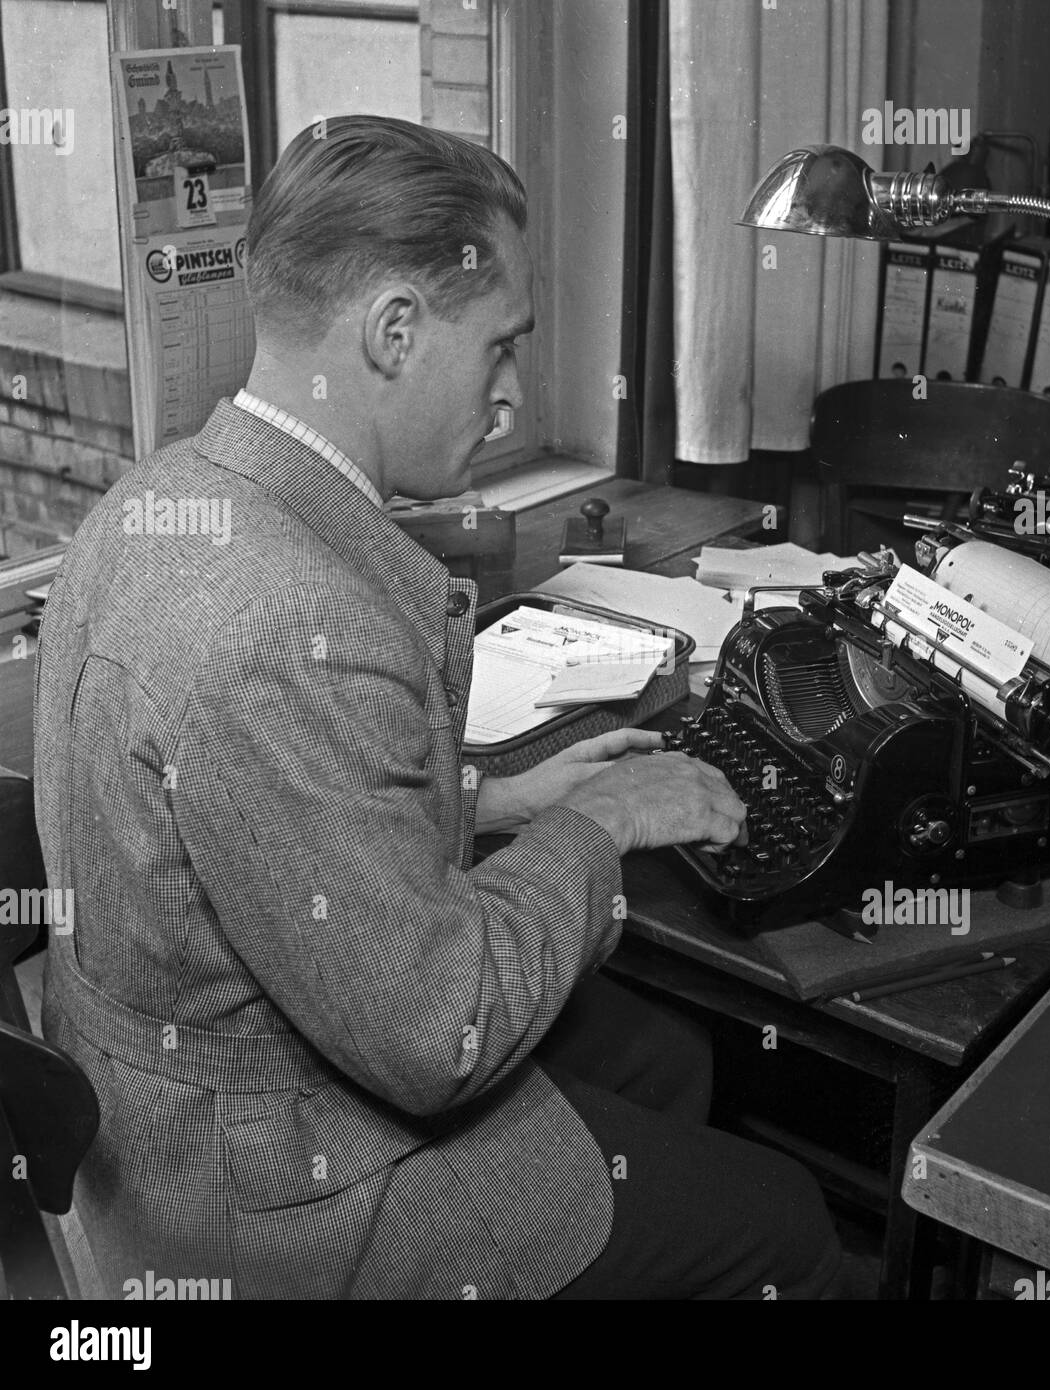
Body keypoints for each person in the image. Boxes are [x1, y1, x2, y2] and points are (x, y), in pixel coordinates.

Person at [33, 116, 843, 1299]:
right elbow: (438, 1036)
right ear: (396, 331)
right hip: (271, 1208)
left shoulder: (156, 499)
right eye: (501, 348)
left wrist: (495, 794)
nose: (511, 398)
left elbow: (252, 848)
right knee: (785, 1223)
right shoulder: (287, 622)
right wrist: (600, 823)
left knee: (663, 1061)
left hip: (154, 1123)